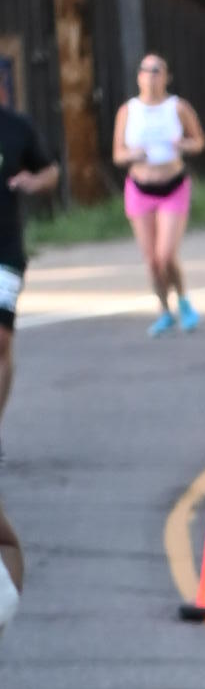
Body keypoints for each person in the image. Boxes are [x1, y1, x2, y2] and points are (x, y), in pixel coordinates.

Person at [114, 52, 205, 333]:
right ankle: (165, 310)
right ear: (138, 76)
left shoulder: (177, 107)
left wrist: (184, 146)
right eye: (146, 70)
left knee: (165, 255)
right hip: (140, 188)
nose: (151, 75)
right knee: (152, 260)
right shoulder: (128, 111)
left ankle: (184, 301)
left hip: (173, 186)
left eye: (157, 70)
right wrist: (133, 155)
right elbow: (118, 154)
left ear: (166, 76)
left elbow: (199, 141)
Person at [0, 71, 58, 436]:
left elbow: (51, 171)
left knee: (1, 340)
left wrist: (32, 182)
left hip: (4, 249)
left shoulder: (17, 127)